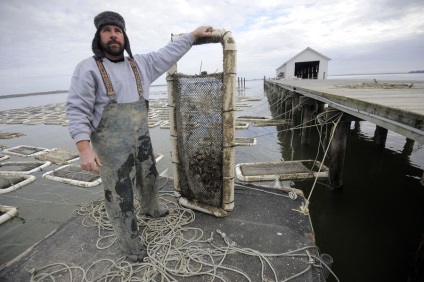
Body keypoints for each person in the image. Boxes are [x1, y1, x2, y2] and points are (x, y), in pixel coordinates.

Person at [66, 11, 213, 262]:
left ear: (124, 36)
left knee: (149, 174)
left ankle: (151, 208)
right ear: (98, 36)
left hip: (140, 137)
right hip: (111, 146)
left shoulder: (140, 65)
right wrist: (84, 149)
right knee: (119, 194)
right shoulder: (87, 68)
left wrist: (192, 36)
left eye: (118, 31)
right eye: (107, 30)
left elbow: (167, 53)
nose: (113, 35)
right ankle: (130, 245)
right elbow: (77, 109)